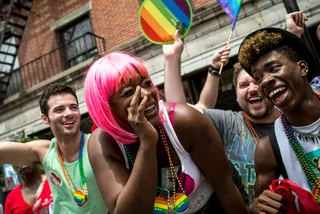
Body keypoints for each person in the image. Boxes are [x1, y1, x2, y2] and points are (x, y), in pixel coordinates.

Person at [163, 12, 311, 203]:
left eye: (256, 81)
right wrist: (172, 58)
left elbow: (293, 75)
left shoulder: (293, 114)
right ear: (236, 93)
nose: (252, 89)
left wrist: (293, 34)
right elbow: (179, 114)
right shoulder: (228, 123)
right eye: (243, 85)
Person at [84, 51, 249, 214]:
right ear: (107, 108)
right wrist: (147, 144)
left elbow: (227, 190)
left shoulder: (186, 121)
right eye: (128, 92)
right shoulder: (102, 142)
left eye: (147, 83)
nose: (146, 94)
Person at [238, 27, 320, 213]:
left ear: (302, 67)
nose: (265, 81)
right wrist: (256, 207)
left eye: (273, 68)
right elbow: (261, 204)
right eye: (258, 78)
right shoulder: (268, 150)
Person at [0, 83, 107, 213]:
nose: (69, 113)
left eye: (73, 107)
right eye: (59, 109)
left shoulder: (97, 143)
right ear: (45, 119)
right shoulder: (44, 150)